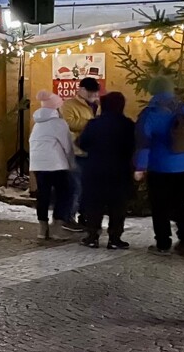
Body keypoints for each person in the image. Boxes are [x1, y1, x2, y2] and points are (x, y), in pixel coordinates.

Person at [135, 75, 184, 255]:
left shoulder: (150, 113)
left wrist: (140, 167)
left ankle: (163, 243)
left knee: (159, 205)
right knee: (179, 202)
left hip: (160, 165)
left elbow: (144, 142)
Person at [76, 91, 135, 249]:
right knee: (118, 206)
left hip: (95, 169)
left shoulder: (94, 124)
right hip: (119, 171)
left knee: (94, 204)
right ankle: (115, 239)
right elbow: (134, 146)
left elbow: (81, 142)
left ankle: (92, 236)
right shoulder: (127, 124)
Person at [29, 91, 76, 240]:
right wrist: (71, 163)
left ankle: (42, 228)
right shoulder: (59, 123)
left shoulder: (37, 124)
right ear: (56, 109)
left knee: (43, 194)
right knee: (65, 193)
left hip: (37, 164)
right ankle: (57, 227)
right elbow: (67, 146)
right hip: (56, 164)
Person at [62, 77, 100, 224]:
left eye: (95, 92)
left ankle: (84, 216)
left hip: (93, 152)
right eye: (90, 92)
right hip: (77, 151)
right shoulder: (69, 105)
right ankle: (68, 218)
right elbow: (68, 123)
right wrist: (92, 124)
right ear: (81, 90)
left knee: (89, 188)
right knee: (75, 187)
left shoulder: (97, 105)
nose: (93, 95)